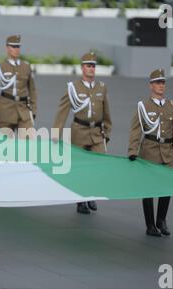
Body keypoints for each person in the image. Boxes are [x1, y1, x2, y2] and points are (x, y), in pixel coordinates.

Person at [52, 52, 112, 214]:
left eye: (93, 66)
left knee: (96, 167)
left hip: (97, 133)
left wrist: (107, 132)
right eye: (88, 65)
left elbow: (106, 113)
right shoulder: (73, 88)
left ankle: (90, 194)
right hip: (79, 131)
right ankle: (81, 200)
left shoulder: (101, 88)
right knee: (80, 168)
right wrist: (56, 131)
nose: (91, 68)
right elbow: (62, 111)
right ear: (82, 68)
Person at [128, 69, 173, 237]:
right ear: (151, 85)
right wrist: (132, 151)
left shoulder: (172, 106)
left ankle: (161, 220)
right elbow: (135, 130)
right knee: (149, 189)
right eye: (158, 83)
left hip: (167, 152)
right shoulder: (143, 106)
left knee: (167, 188)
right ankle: (150, 224)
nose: (161, 86)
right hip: (149, 150)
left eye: (163, 83)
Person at [0, 35, 37, 136]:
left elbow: (32, 90)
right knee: (5, 146)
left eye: (18, 47)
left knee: (28, 145)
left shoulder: (26, 66)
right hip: (5, 111)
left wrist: (34, 109)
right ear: (7, 48)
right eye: (13, 47)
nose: (16, 49)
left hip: (23, 111)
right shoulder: (0, 67)